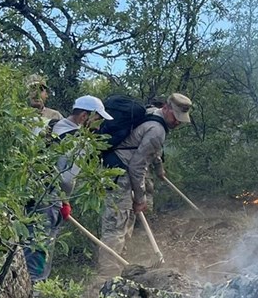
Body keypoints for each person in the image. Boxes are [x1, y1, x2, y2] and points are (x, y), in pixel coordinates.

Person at [98, 93, 192, 273]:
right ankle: (107, 275)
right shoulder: (157, 130)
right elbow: (137, 166)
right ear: (166, 108)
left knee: (125, 222)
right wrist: (140, 198)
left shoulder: (151, 113)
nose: (178, 122)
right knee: (116, 225)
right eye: (176, 117)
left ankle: (120, 266)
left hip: (119, 171)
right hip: (121, 174)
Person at [24, 95, 114, 282]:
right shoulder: (79, 141)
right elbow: (66, 179)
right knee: (41, 245)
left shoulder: (48, 124)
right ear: (84, 116)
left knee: (23, 241)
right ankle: (33, 291)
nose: (99, 125)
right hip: (48, 200)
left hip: (28, 191)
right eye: (98, 119)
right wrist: (64, 201)